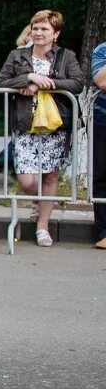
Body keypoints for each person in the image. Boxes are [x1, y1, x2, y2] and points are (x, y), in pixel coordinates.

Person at [0, 10, 85, 246]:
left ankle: (43, 226)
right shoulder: (17, 55)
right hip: (25, 124)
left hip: (56, 124)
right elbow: (1, 82)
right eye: (35, 28)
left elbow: (77, 83)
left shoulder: (66, 56)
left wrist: (49, 84)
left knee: (50, 175)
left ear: (55, 34)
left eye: (44, 29)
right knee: (27, 180)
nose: (38, 32)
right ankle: (38, 201)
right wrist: (29, 78)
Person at [92, 37, 106, 251]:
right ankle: (104, 231)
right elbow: (102, 82)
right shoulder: (102, 50)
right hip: (104, 121)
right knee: (103, 176)